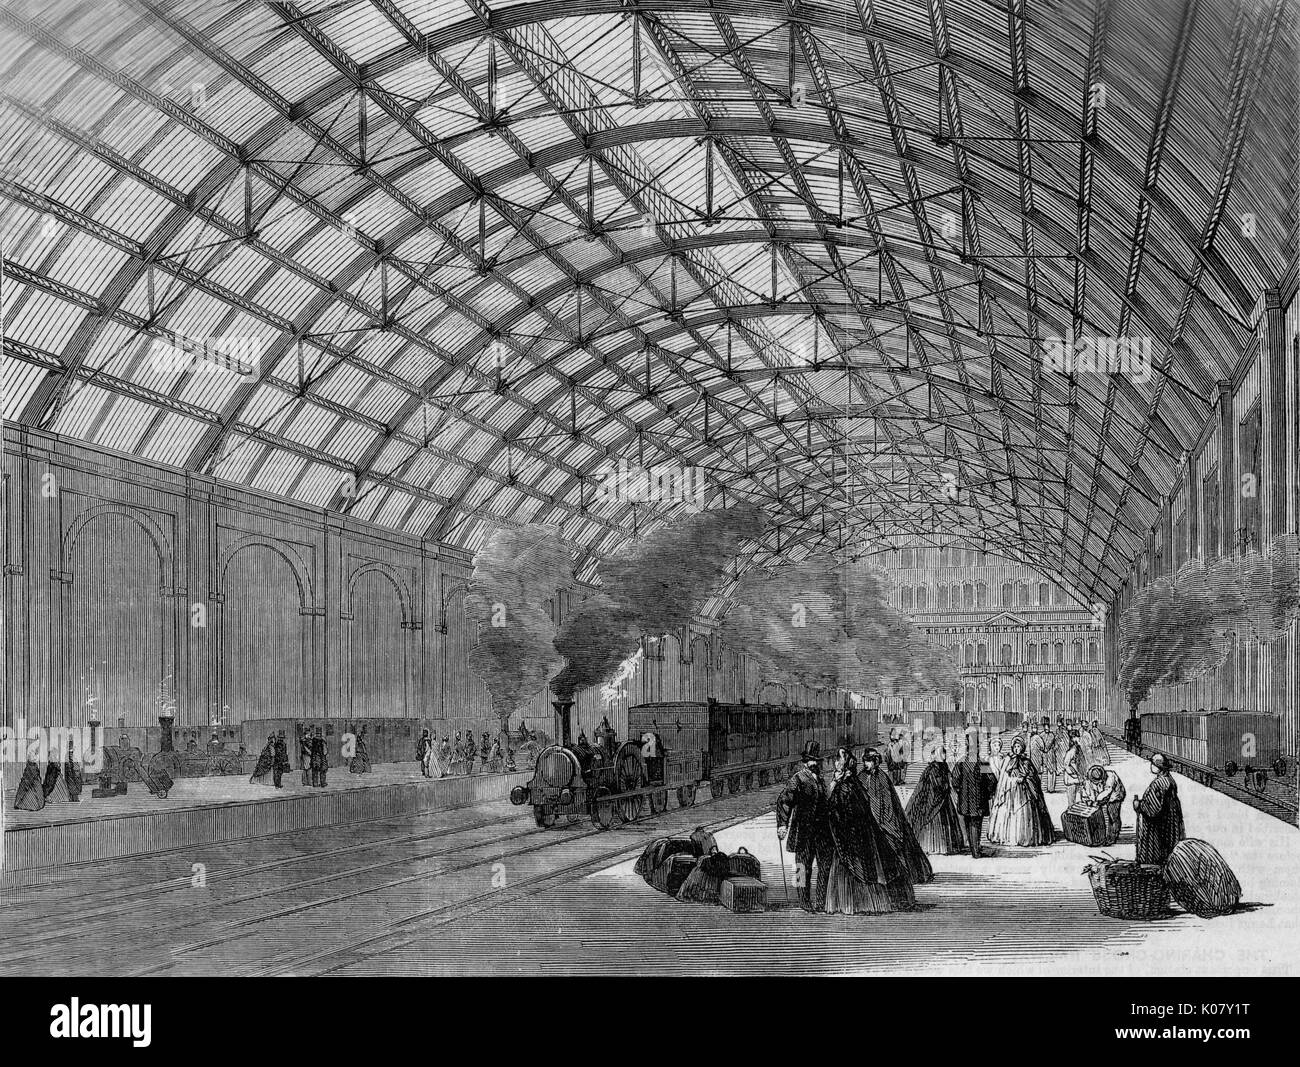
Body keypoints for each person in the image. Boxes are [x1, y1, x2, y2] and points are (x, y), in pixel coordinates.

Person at [824, 747, 915, 914]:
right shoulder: (852, 781)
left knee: (858, 869)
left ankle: (855, 904)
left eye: (838, 760)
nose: (835, 762)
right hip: (853, 833)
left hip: (851, 835)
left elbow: (838, 808)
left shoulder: (847, 785)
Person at [858, 749, 933, 884]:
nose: (866, 764)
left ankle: (905, 876)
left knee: (895, 846)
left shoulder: (882, 778)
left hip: (885, 820)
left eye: (868, 761)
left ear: (875, 762)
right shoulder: (861, 776)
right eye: (865, 761)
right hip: (869, 819)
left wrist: (884, 822)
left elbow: (888, 803)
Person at [775, 741, 832, 912]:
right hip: (803, 832)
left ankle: (821, 902)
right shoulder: (798, 779)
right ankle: (803, 901)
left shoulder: (821, 780)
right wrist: (782, 824)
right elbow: (784, 801)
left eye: (816, 760)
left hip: (822, 832)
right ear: (805, 762)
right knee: (801, 867)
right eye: (810, 760)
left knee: (824, 866)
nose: (814, 763)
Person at [986, 736, 1054, 846]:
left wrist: (1025, 778)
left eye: (1019, 747)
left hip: (1025, 792)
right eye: (1015, 747)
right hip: (1011, 791)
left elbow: (1033, 777)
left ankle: (1026, 837)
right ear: (1012, 748)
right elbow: (1004, 776)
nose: (1017, 749)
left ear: (1022, 748)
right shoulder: (1009, 759)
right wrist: (1012, 778)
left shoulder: (1026, 760)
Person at [905, 750, 967, 855]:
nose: (944, 756)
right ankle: (933, 847)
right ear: (936, 755)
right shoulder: (931, 769)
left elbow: (949, 779)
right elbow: (930, 786)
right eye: (942, 753)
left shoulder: (944, 766)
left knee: (947, 823)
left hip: (944, 800)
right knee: (933, 822)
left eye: (945, 753)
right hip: (933, 799)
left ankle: (948, 847)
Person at [1133, 754, 1185, 865]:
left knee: (1156, 849)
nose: (1151, 766)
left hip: (1159, 825)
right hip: (1170, 820)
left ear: (1158, 767)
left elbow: (1153, 809)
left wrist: (1139, 805)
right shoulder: (1169, 779)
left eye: (1152, 764)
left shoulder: (1159, 783)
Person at [951, 734, 990, 858]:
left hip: (966, 801)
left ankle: (974, 848)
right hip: (979, 800)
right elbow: (991, 781)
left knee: (969, 823)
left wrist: (961, 792)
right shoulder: (982, 762)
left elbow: (955, 781)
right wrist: (987, 794)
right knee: (976, 824)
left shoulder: (961, 763)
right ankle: (975, 850)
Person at [1081, 764, 1126, 845]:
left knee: (1113, 816)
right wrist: (1087, 800)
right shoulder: (1088, 779)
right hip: (1102, 797)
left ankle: (1112, 837)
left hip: (1115, 796)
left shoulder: (1111, 777)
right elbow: (1085, 791)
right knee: (1100, 815)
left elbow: (1107, 791)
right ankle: (1102, 836)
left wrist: (1096, 801)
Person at [1029, 719, 1056, 793]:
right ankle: (1039, 787)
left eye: (1048, 728)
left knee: (1051, 771)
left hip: (1050, 755)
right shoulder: (1041, 735)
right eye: (1045, 728)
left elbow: (1048, 745)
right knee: (1040, 772)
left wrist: (1045, 749)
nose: (1046, 729)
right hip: (1042, 755)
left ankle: (1051, 788)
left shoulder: (1052, 735)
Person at [1061, 731, 1084, 807]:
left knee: (1079, 801)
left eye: (1078, 737)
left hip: (1078, 779)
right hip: (1071, 779)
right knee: (1071, 802)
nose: (1078, 739)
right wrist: (1072, 774)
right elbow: (1065, 764)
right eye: (1076, 737)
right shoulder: (1071, 751)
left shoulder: (1079, 749)